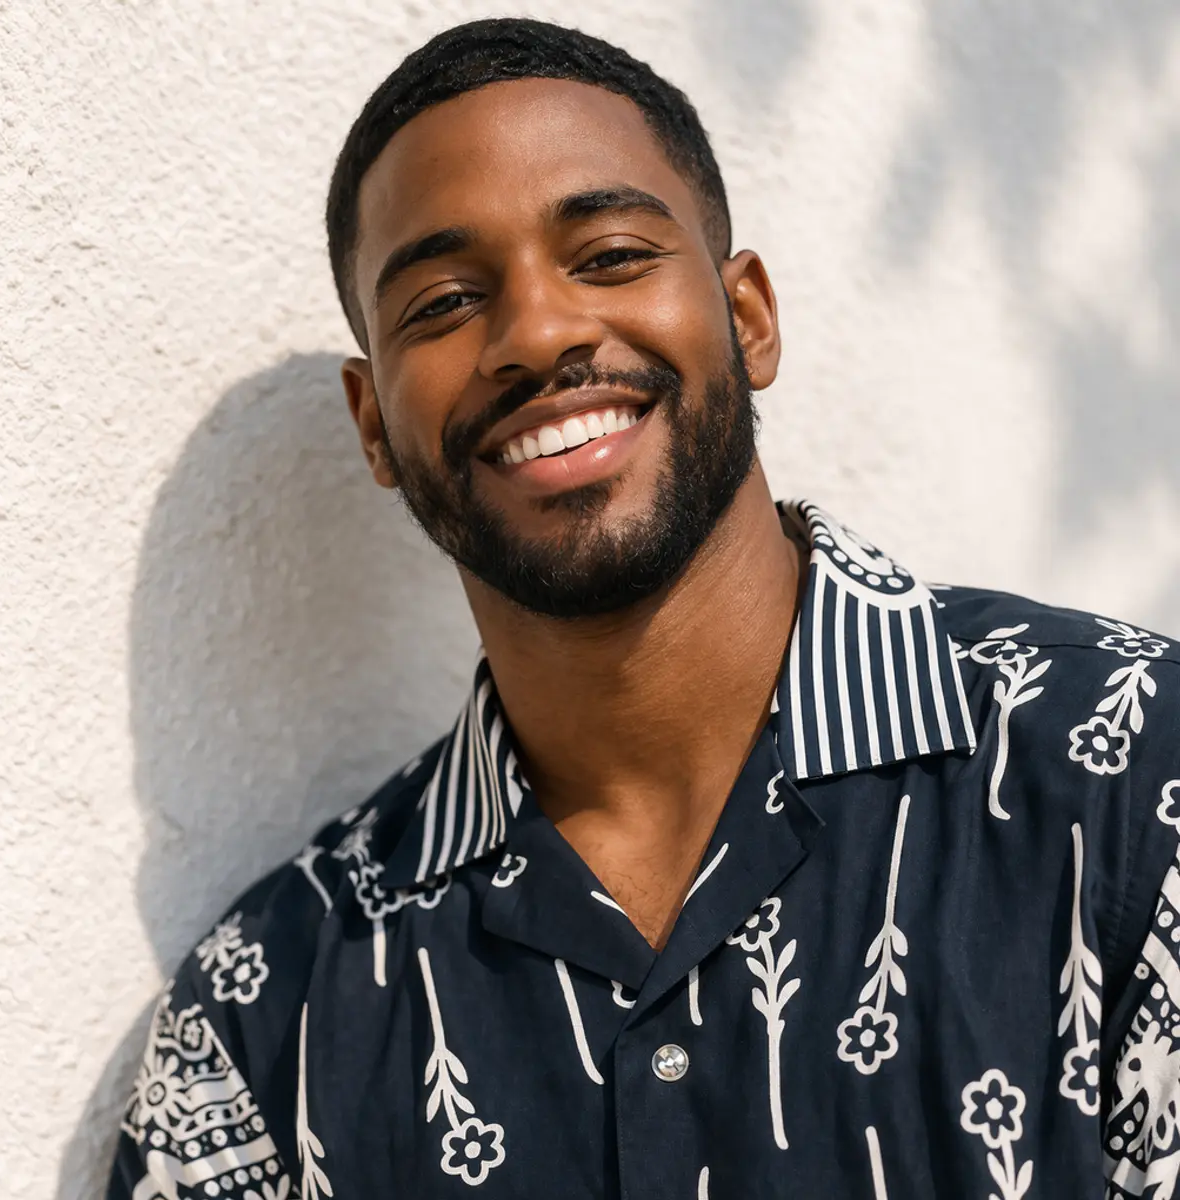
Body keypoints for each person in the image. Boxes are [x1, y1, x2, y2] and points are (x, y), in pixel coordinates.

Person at [107, 18, 1180, 1200]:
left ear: (749, 318)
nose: (539, 333)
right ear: (373, 424)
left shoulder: (1135, 785)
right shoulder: (264, 1028)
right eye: (446, 301)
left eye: (610, 254)